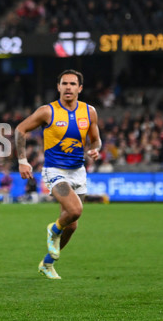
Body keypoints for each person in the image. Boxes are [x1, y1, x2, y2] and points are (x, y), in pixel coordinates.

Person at [15, 69, 102, 280]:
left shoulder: (89, 112)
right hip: (55, 171)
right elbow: (20, 130)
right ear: (58, 87)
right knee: (75, 209)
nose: (68, 87)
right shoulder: (48, 111)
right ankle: (53, 229)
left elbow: (95, 139)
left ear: (80, 88)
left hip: (78, 171)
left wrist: (96, 148)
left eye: (73, 84)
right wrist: (22, 160)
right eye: (64, 83)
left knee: (72, 224)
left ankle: (47, 263)